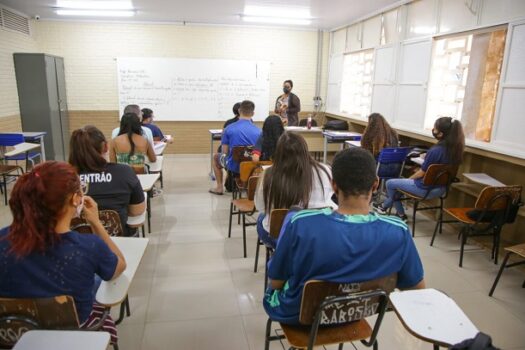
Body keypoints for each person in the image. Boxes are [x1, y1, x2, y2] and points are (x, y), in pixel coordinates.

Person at [263, 148, 425, 325]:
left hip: (300, 316)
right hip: (357, 314)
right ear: (375, 184)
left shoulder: (301, 224)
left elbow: (276, 282)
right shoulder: (398, 231)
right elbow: (416, 289)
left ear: (334, 185)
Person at [0, 161, 126, 342]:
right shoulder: (88, 247)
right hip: (73, 331)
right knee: (97, 278)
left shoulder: (3, 240)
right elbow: (119, 267)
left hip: (13, 335)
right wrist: (96, 222)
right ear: (76, 199)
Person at [373, 116, 465, 221]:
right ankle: (384, 206)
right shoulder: (457, 151)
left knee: (390, 183)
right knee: (401, 186)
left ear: (440, 134)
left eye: (435, 129)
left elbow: (421, 173)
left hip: (425, 189)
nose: (433, 131)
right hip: (442, 189)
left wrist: (408, 179)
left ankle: (401, 214)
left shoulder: (435, 151)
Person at [254, 132, 335, 248]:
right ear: (305, 150)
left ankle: (280, 257)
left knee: (262, 218)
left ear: (279, 152)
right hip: (317, 233)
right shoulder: (325, 171)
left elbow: (260, 207)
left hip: (278, 235)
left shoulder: (268, 175)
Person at [69, 126, 146, 237]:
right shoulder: (124, 172)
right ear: (105, 146)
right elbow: (137, 211)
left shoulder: (64, 177)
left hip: (77, 245)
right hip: (119, 241)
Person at [209, 100, 261, 195]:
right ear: (253, 113)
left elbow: (225, 152)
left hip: (233, 166)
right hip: (251, 166)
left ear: (239, 111)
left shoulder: (228, 128)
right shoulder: (259, 131)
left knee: (216, 157)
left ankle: (219, 187)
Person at [210, 102, 242, 193]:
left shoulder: (229, 123)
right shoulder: (251, 124)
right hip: (245, 158)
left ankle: (219, 187)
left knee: (217, 156)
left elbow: (225, 150)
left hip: (231, 157)